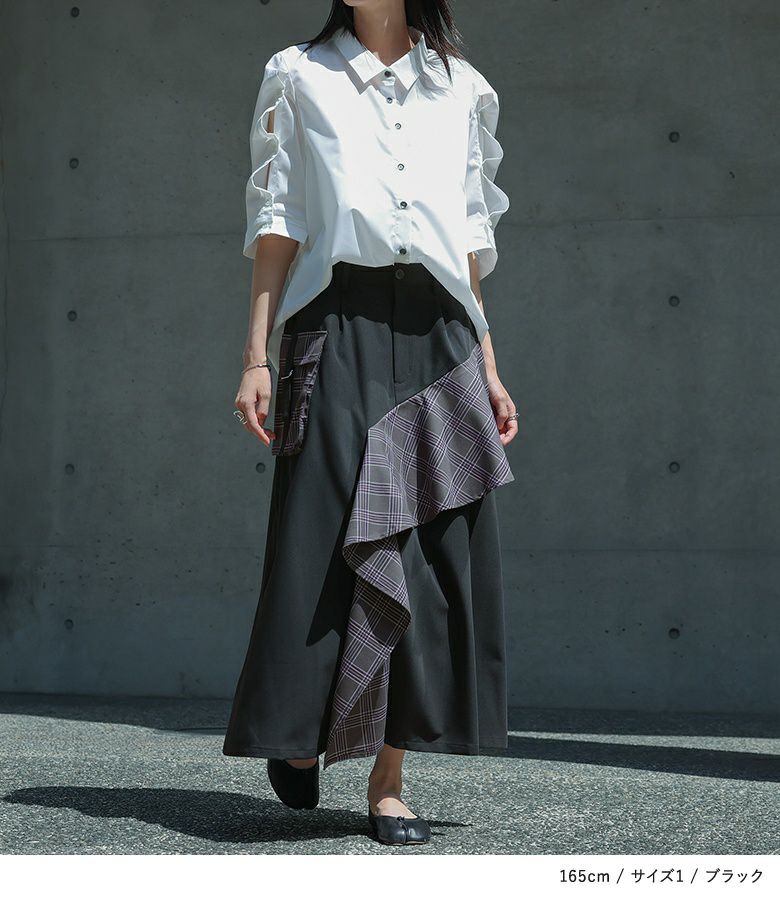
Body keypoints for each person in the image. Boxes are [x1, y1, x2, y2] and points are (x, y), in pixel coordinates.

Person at [222, 0, 519, 847]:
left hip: (441, 334)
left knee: (428, 553)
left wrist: (489, 363)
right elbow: (277, 221)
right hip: (336, 320)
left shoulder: (462, 88)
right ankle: (301, 733)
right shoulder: (298, 75)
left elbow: (467, 236)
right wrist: (255, 356)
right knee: (319, 541)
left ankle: (389, 783)